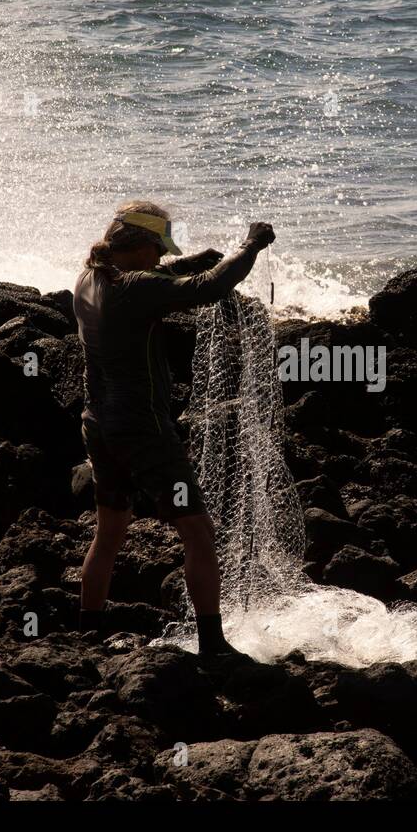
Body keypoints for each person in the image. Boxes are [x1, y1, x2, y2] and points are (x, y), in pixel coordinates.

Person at [73, 200, 274, 657]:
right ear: (139, 245)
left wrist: (188, 260)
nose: (161, 258)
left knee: (109, 534)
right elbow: (211, 287)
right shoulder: (136, 287)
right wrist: (250, 246)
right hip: (144, 431)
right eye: (158, 250)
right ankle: (213, 644)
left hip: (98, 426)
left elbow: (160, 278)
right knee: (198, 532)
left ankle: (89, 634)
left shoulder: (90, 278)